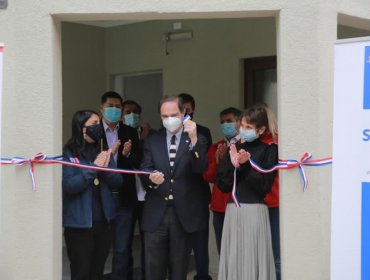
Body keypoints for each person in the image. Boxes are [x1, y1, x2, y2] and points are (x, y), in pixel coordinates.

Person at [140, 95, 209, 280]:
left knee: (179, 269)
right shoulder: (152, 140)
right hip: (156, 212)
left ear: (184, 112)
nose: (169, 119)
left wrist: (193, 138)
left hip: (183, 213)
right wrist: (151, 179)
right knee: (153, 268)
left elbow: (201, 167)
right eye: (164, 116)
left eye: (174, 114)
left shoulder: (197, 139)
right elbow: (144, 170)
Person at [216, 104, 278, 280]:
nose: (243, 131)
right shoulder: (232, 149)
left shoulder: (269, 150)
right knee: (233, 258)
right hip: (233, 210)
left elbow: (264, 186)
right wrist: (234, 166)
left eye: (248, 127)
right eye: (241, 126)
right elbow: (223, 185)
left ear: (261, 130)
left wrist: (245, 166)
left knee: (253, 258)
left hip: (255, 211)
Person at [62, 110, 123, 280]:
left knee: (97, 272)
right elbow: (69, 186)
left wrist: (104, 167)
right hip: (78, 225)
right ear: (81, 128)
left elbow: (118, 181)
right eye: (94, 124)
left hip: (103, 222)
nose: (98, 128)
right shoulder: (68, 153)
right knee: (81, 273)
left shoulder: (102, 150)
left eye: (99, 124)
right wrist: (93, 168)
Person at [99, 91, 142, 280]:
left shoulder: (129, 132)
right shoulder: (93, 131)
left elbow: (138, 161)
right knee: (97, 248)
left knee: (122, 248)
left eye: (118, 107)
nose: (114, 110)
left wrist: (128, 154)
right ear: (102, 108)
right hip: (99, 195)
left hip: (124, 196)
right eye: (110, 106)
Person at [178, 92, 212, 280]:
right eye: (182, 111)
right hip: (176, 194)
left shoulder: (203, 132)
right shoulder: (167, 133)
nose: (185, 115)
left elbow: (203, 164)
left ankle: (203, 275)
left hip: (198, 192)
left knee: (200, 241)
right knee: (178, 242)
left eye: (189, 111)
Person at [122, 99, 156, 279]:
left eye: (135, 112)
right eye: (128, 111)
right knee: (124, 243)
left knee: (147, 242)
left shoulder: (151, 135)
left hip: (147, 196)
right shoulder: (120, 134)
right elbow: (128, 160)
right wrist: (140, 141)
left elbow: (145, 162)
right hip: (127, 197)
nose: (132, 115)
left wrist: (142, 140)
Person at [203, 107, 241, 255]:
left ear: (239, 122)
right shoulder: (215, 147)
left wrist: (228, 159)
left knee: (240, 249)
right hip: (219, 206)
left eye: (229, 121)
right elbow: (208, 177)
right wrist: (218, 161)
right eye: (222, 122)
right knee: (223, 250)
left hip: (239, 204)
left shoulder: (245, 145)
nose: (225, 125)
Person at [260, 105, 280, 280]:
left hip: (274, 204)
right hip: (255, 205)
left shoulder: (278, 142)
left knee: (276, 255)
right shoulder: (249, 144)